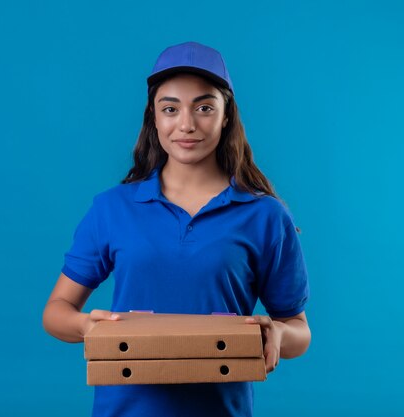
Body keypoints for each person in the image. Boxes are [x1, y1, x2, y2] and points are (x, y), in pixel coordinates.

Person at [43, 41, 311, 417]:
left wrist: (279, 335)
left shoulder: (265, 215)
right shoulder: (112, 208)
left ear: (226, 115)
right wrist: (89, 327)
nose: (186, 124)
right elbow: (56, 311)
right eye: (170, 108)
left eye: (204, 108)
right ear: (154, 117)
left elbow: (298, 328)